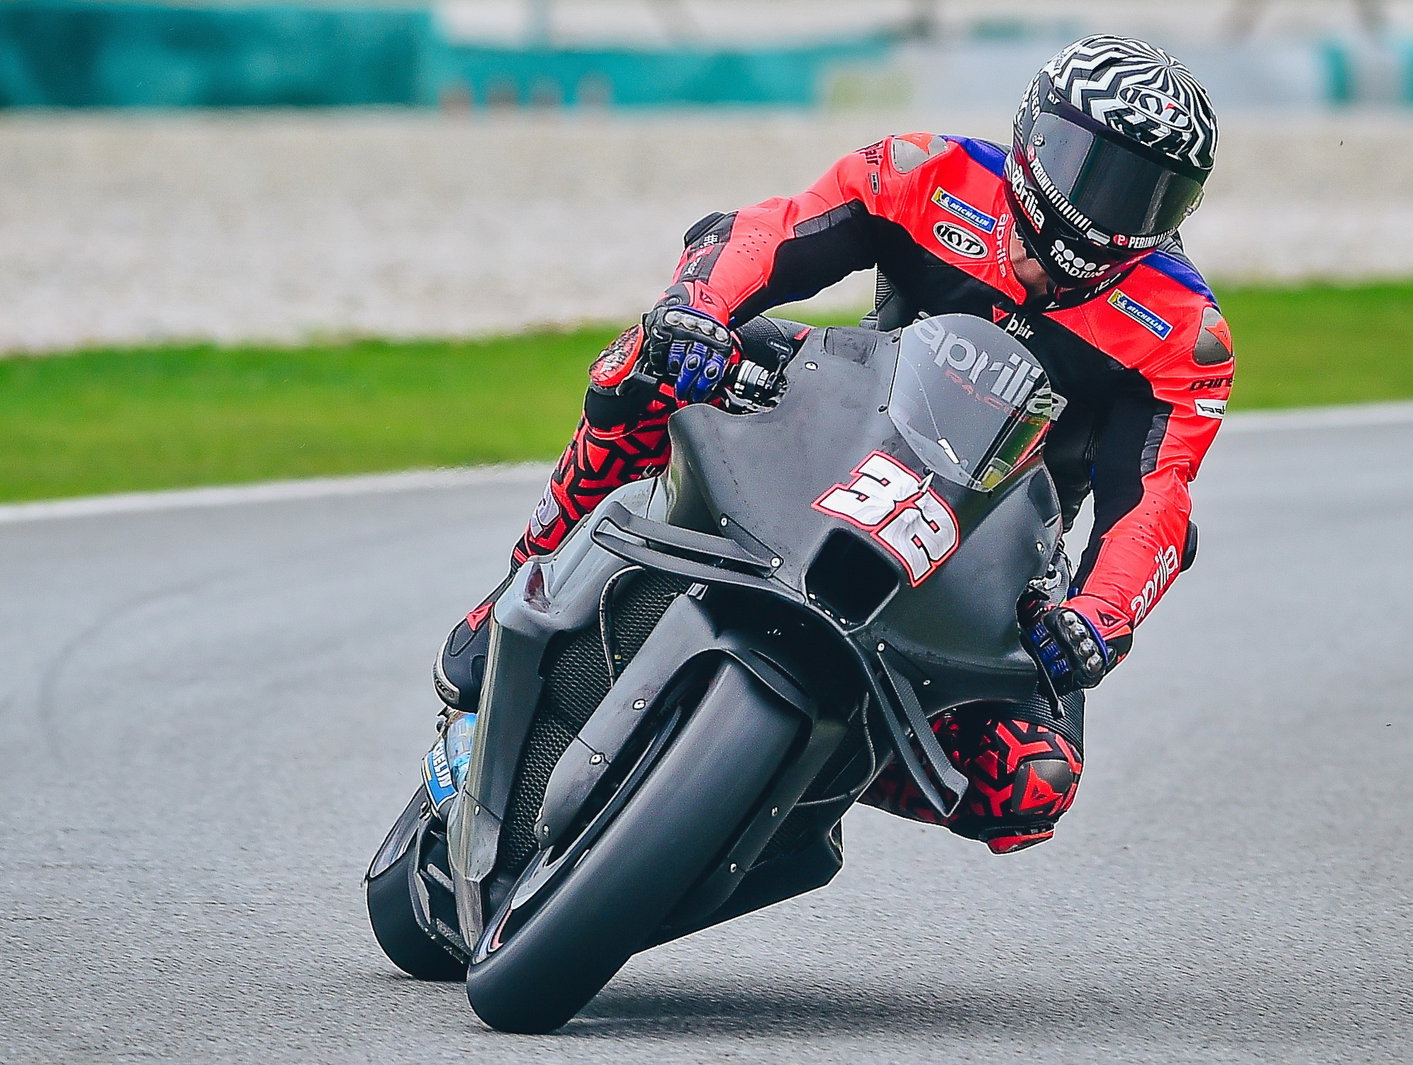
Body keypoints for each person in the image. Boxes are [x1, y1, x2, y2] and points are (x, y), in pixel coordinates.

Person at [432, 35, 1233, 855]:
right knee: (645, 360)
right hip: (839, 409)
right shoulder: (933, 171)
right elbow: (770, 232)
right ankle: (517, 583)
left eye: (1146, 195)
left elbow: (1157, 499)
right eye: (1088, 166)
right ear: (1033, 130)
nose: (1104, 209)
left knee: (1032, 785)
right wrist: (698, 306)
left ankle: (819, 770)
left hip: (992, 549)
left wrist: (1097, 616)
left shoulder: (1182, 332)